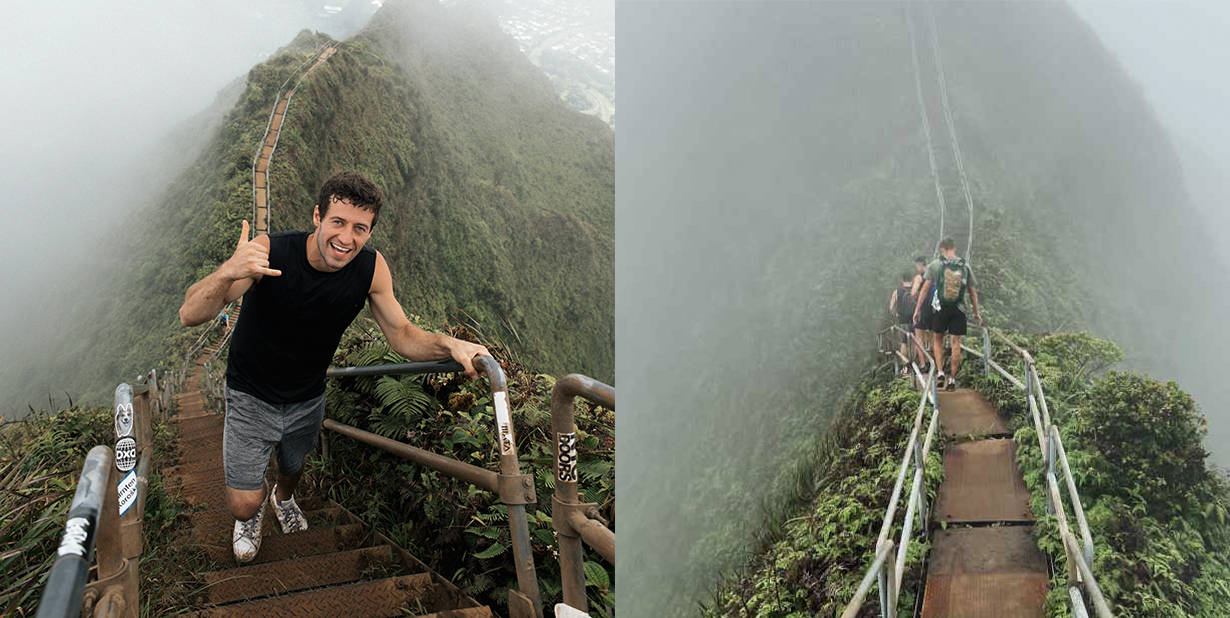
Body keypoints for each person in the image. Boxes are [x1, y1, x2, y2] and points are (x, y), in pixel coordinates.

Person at [178, 171, 490, 563]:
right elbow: (190, 314)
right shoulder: (270, 252)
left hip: (308, 396)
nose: (346, 238)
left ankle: (283, 499)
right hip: (250, 394)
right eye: (338, 222)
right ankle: (249, 516)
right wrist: (229, 270)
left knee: (293, 465)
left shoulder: (371, 270)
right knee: (242, 504)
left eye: (360, 228)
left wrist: (451, 344)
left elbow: (402, 334)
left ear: (370, 232)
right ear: (317, 217)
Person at [912, 238, 981, 391]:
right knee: (956, 343)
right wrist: (977, 313)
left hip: (940, 308)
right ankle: (952, 380)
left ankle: (941, 371)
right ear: (954, 248)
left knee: (937, 340)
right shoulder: (965, 266)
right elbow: (973, 293)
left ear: (942, 248)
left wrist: (917, 310)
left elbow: (923, 290)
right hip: (959, 310)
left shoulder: (935, 265)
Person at [888, 272, 915, 373]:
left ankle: (905, 367)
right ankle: (915, 365)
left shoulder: (897, 291)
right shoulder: (915, 289)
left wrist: (896, 315)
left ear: (902, 280)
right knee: (915, 343)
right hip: (915, 320)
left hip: (903, 321)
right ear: (911, 279)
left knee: (904, 343)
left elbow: (891, 308)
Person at [909, 256, 930, 368]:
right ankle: (936, 365)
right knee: (933, 338)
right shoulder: (933, 275)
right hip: (933, 310)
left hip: (921, 310)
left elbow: (913, 293)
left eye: (916, 266)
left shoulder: (919, 277)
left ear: (920, 264)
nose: (916, 268)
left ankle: (923, 365)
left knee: (919, 338)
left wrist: (917, 296)